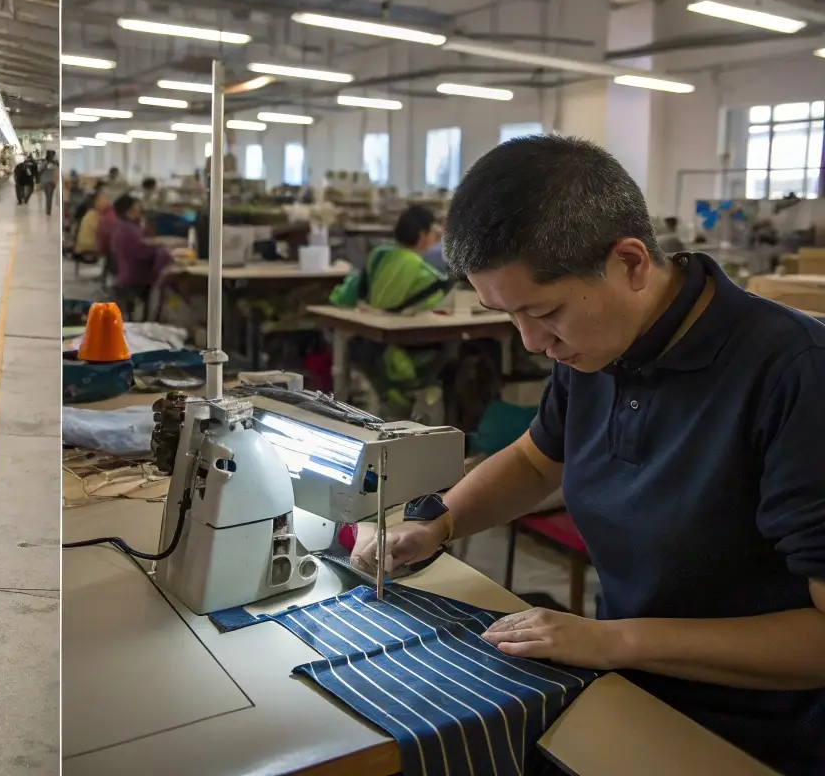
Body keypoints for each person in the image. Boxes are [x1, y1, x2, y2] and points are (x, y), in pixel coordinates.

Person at [352, 135, 825, 775]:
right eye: (510, 316)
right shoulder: (599, 345)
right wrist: (437, 520)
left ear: (630, 262)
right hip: (630, 684)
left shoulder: (795, 375)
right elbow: (533, 461)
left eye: (543, 312)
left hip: (756, 731)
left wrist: (612, 640)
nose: (531, 343)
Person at [329, 204, 451, 417]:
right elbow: (440, 306)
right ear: (423, 235)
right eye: (433, 233)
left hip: (370, 347)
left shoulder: (379, 255)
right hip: (403, 357)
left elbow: (349, 293)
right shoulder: (423, 273)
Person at [109, 193, 173, 296]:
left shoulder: (123, 227)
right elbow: (144, 251)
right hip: (135, 280)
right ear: (130, 210)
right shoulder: (129, 230)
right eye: (137, 206)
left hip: (124, 276)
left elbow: (140, 247)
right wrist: (165, 250)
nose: (140, 209)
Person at [73, 192, 113, 257]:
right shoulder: (93, 215)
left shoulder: (93, 214)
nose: (108, 205)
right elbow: (101, 232)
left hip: (86, 246)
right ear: (96, 203)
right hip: (88, 248)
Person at [39, 150, 59, 215]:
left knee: (49, 196)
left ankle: (48, 211)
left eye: (53, 155)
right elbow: (40, 170)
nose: (52, 156)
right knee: (48, 196)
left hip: (51, 182)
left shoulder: (55, 162)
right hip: (45, 181)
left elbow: (57, 170)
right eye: (51, 155)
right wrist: (45, 165)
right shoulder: (44, 162)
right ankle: (48, 211)